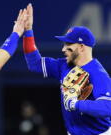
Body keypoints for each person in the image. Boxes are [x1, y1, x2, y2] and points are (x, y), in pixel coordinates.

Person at [22, 3, 111, 135]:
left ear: (81, 47)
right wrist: (28, 31)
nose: (63, 49)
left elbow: (107, 108)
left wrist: (76, 104)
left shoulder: (98, 74)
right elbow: (34, 64)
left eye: (69, 44)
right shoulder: (63, 65)